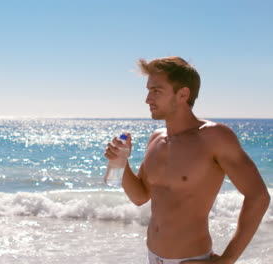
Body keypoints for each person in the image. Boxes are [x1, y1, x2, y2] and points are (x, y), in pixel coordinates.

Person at [104, 56, 270, 264]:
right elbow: (140, 196)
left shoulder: (214, 137)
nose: (147, 99)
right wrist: (121, 163)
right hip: (152, 256)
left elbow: (258, 196)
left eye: (156, 91)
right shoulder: (156, 138)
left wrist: (226, 260)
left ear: (182, 94)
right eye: (148, 91)